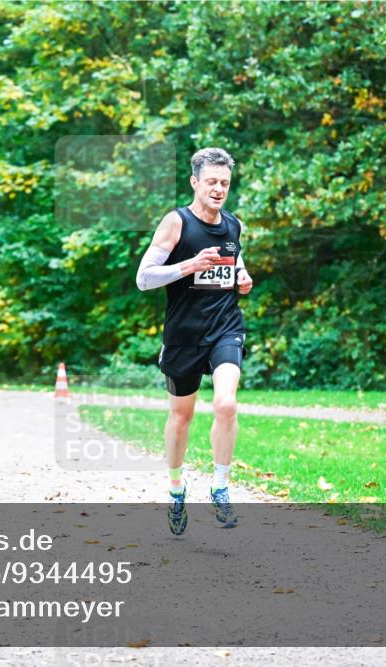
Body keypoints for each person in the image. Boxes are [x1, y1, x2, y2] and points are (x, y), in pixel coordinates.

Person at [134, 147, 253, 535]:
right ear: (195, 182)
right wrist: (188, 265)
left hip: (225, 327)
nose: (219, 189)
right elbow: (144, 278)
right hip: (184, 334)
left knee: (226, 403)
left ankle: (220, 487)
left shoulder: (233, 225)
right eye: (212, 182)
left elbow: (235, 263)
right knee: (181, 417)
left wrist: (243, 276)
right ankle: (176, 488)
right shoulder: (176, 223)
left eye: (225, 183)